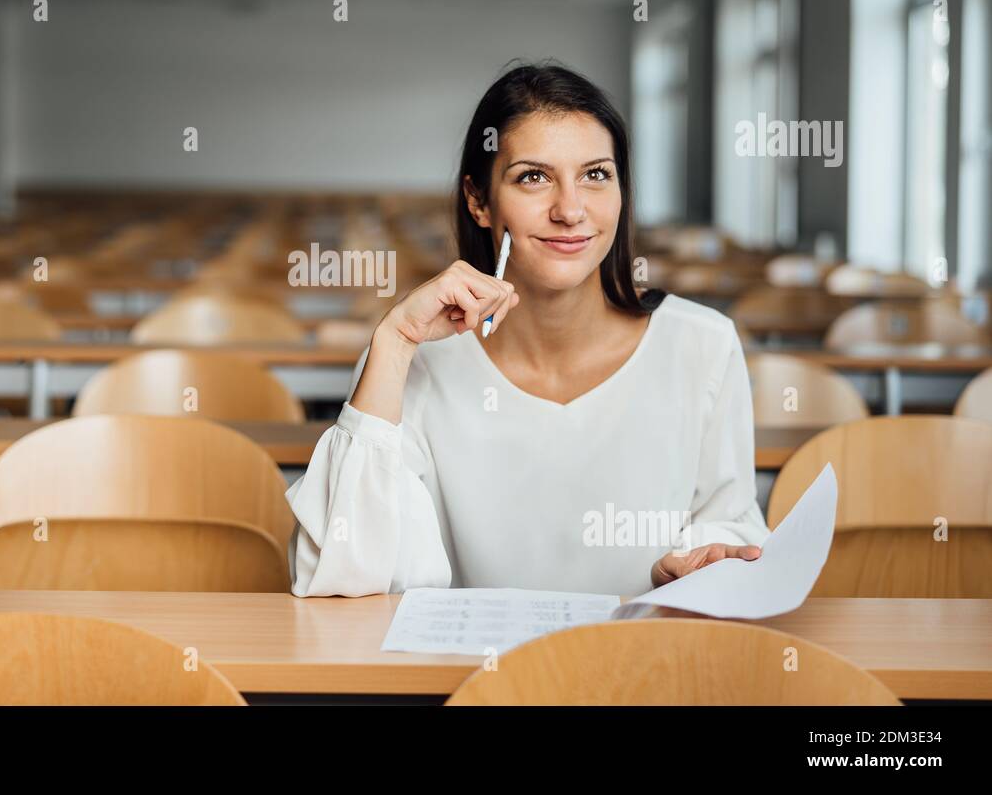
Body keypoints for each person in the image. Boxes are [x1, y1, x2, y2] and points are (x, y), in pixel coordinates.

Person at [287, 61, 770, 597]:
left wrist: (694, 568)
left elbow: (728, 525)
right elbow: (344, 575)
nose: (570, 209)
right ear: (479, 201)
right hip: (469, 678)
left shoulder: (702, 344)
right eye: (533, 177)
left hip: (650, 666)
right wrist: (396, 341)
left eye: (596, 175)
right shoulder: (412, 359)